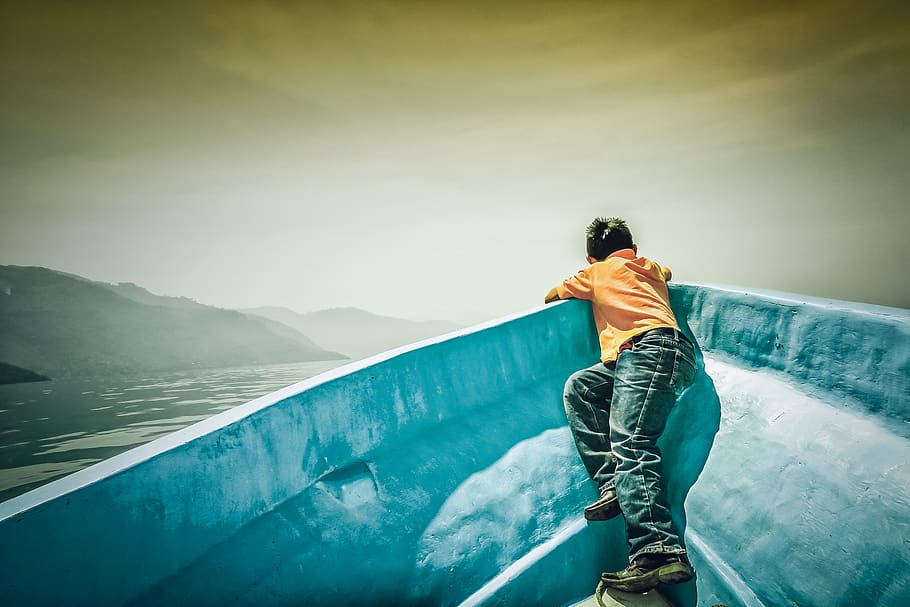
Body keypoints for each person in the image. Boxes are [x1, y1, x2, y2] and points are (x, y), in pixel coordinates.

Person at [544, 217, 697, 594]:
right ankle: (613, 484)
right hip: (663, 352)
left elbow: (552, 295)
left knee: (631, 442)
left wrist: (593, 276)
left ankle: (658, 550)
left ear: (590, 257)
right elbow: (666, 270)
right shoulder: (650, 267)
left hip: (647, 351)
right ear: (633, 248)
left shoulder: (594, 274)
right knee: (580, 388)